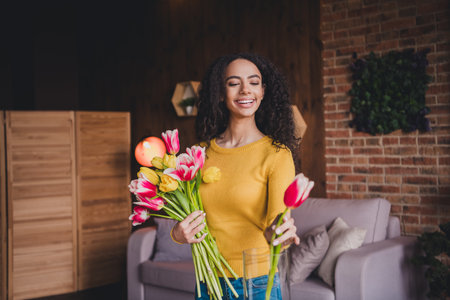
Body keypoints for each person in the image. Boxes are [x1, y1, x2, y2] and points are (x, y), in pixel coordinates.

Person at [171, 53, 300, 300]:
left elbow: (277, 224)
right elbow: (186, 212)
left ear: (263, 92)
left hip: (258, 283)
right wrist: (177, 234)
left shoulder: (276, 155)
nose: (245, 90)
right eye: (233, 83)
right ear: (220, 93)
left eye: (253, 82)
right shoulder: (200, 154)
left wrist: (280, 234)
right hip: (207, 280)